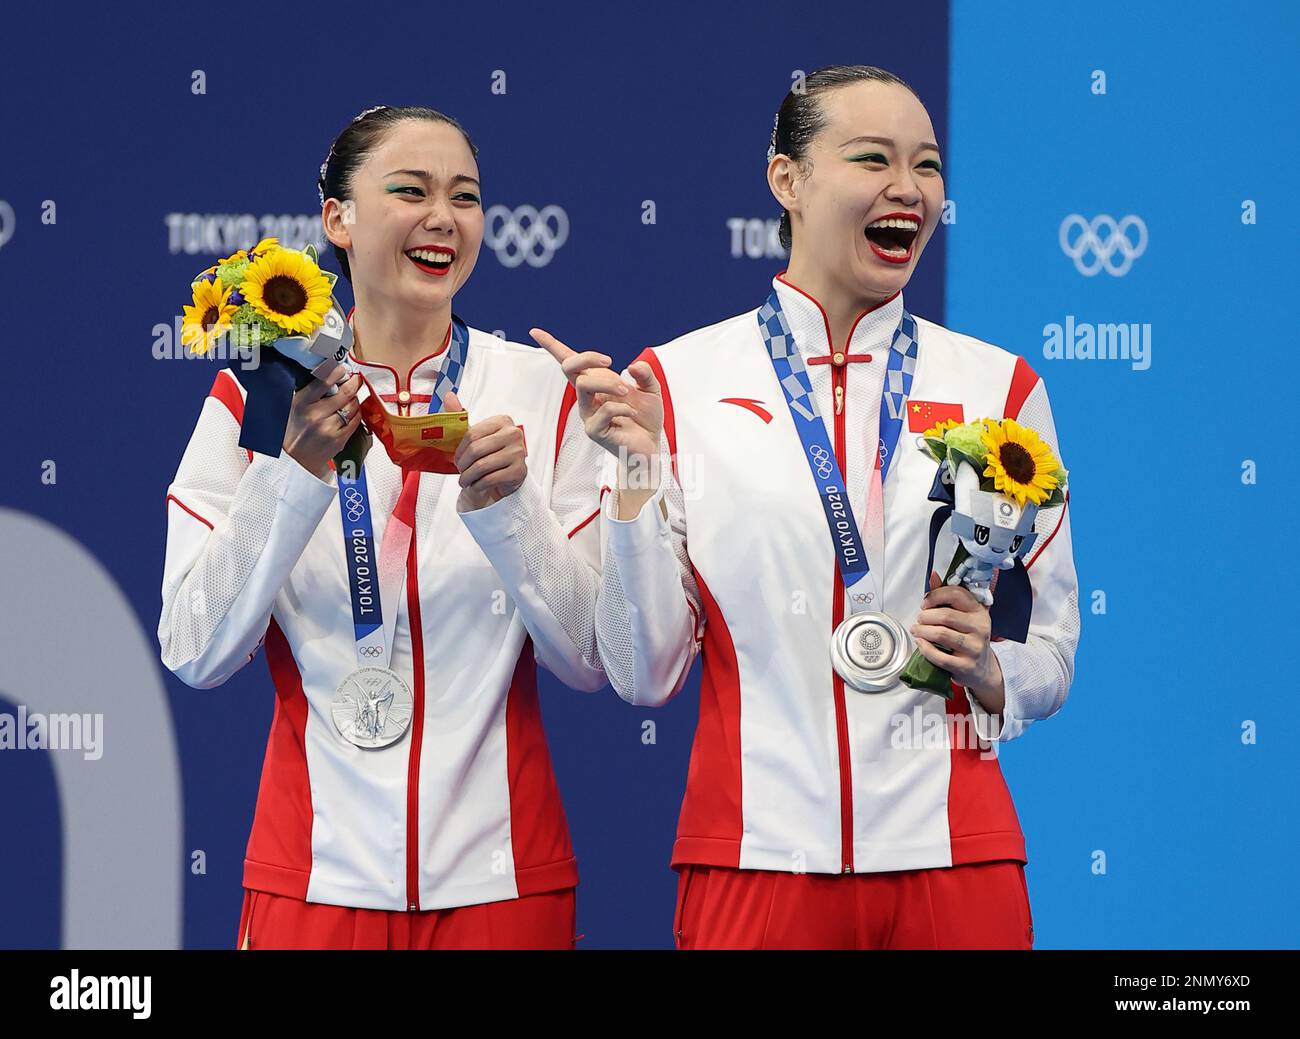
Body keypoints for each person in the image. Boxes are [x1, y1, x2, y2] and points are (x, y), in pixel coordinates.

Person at [535, 66, 1080, 949]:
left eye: (929, 166)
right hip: (755, 862)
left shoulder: (1001, 386)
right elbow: (645, 671)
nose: (909, 188)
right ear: (786, 180)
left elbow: (1050, 650)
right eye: (873, 159)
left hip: (957, 863)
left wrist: (991, 672)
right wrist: (631, 479)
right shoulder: (673, 384)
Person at [159, 105, 608, 949]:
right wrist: (292, 477)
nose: (444, 216)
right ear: (338, 217)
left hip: (504, 885)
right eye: (411, 190)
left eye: (466, 196)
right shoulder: (262, 394)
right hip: (312, 882)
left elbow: (592, 659)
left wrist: (513, 515)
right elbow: (193, 647)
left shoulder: (540, 394)